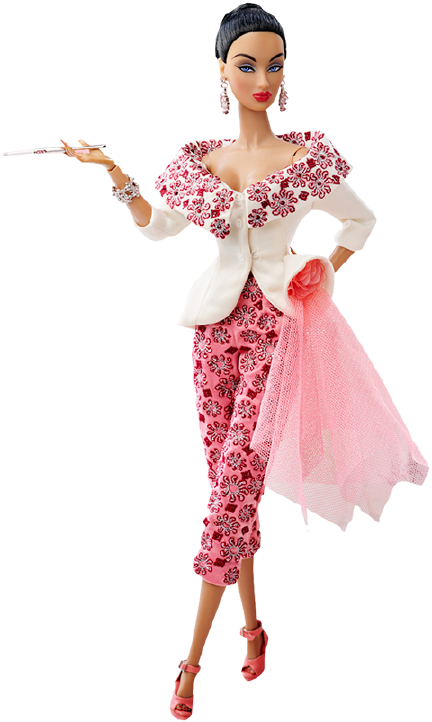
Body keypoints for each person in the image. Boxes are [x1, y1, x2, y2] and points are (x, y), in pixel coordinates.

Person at [60, 4, 429, 719]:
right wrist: (115, 175)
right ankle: (254, 629)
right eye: (248, 64)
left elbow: (361, 220)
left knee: (232, 491)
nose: (264, 78)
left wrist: (321, 270)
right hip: (211, 332)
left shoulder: (304, 160)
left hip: (274, 334)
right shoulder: (201, 161)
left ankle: (189, 663)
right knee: (226, 488)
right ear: (223, 72)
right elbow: (158, 229)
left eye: (276, 65)